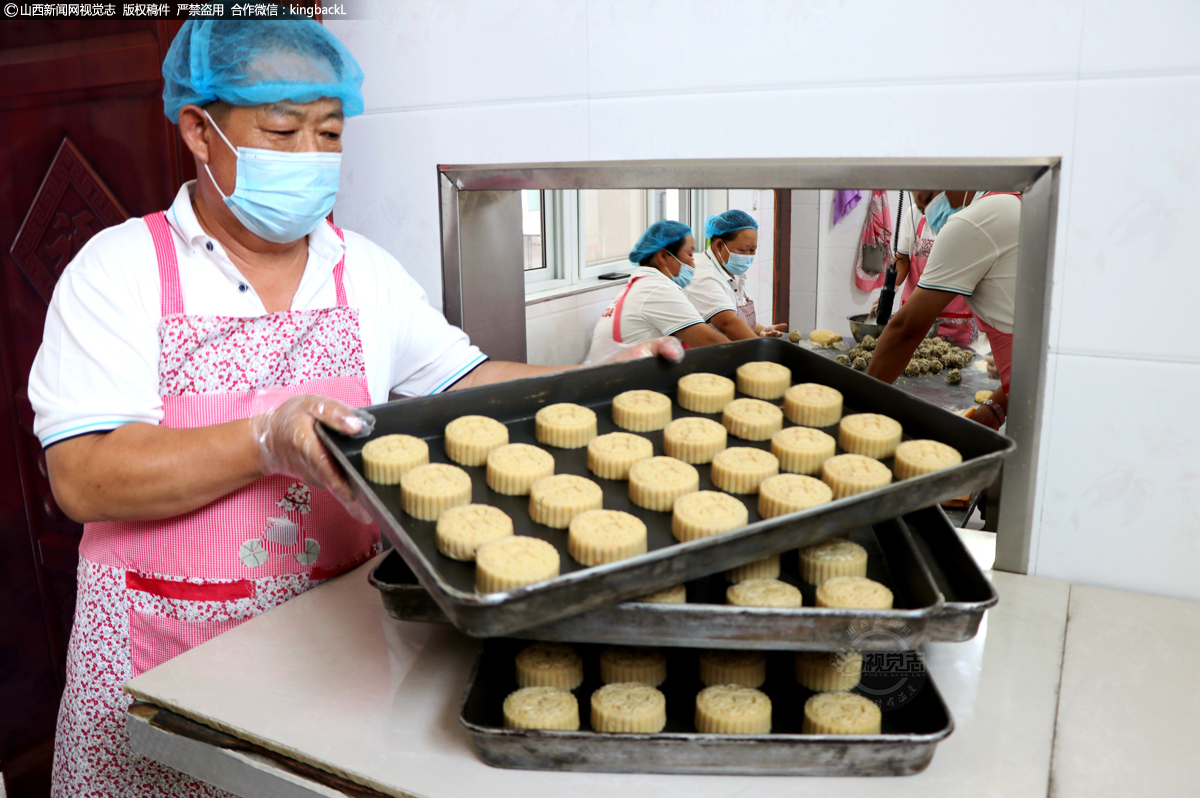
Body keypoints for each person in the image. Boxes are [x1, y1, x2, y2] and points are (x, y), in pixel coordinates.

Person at [33, 21, 681, 797]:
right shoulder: (119, 270)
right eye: (281, 131)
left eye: (329, 132)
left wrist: (593, 378)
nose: (310, 156)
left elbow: (462, 384)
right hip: (162, 662)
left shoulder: (361, 269)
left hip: (332, 647)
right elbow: (85, 477)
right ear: (200, 132)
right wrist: (264, 440)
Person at [866, 190, 1020, 429]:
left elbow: (906, 331)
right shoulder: (1012, 202)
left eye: (929, 199)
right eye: (922, 208)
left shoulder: (974, 220)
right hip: (1030, 389)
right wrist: (996, 408)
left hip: (1043, 399)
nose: (930, 214)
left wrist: (858, 410)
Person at [586, 220, 731, 361]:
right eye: (689, 255)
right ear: (662, 255)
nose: (693, 263)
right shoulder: (656, 288)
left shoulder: (643, 282)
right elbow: (712, 342)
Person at [879, 190, 978, 345]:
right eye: (921, 206)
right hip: (915, 313)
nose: (926, 210)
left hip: (958, 319)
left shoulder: (970, 214)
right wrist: (890, 289)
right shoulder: (914, 215)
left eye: (928, 199)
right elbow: (902, 259)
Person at [683, 209, 788, 340]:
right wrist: (762, 349)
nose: (748, 256)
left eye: (752, 250)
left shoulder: (729, 269)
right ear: (719, 245)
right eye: (743, 250)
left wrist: (761, 331)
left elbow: (738, 318)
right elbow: (729, 324)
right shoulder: (703, 276)